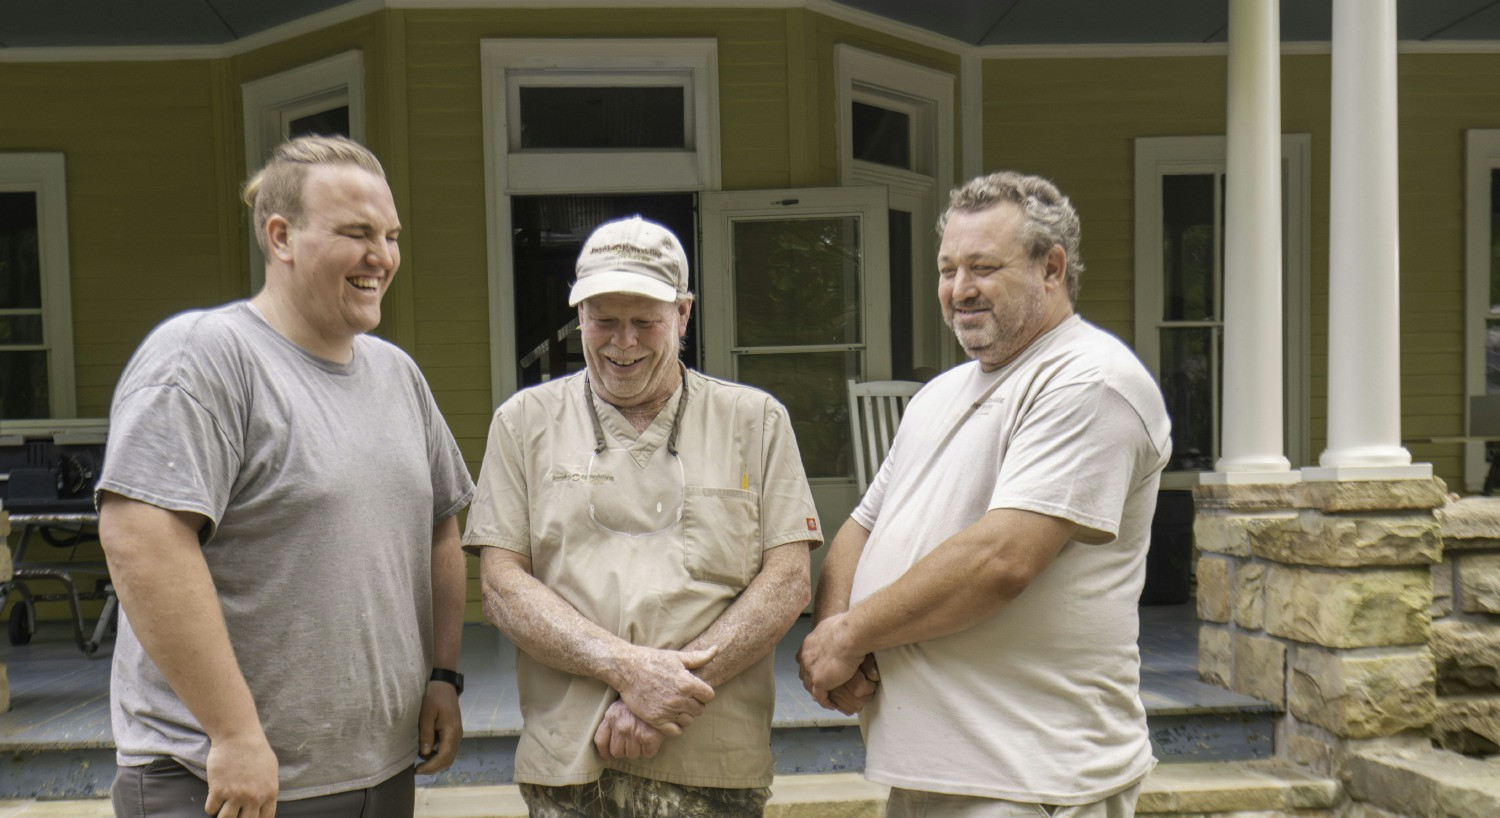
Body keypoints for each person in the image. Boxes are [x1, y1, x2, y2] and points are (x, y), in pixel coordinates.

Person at [97, 135, 474, 818]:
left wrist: (442, 674)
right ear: (281, 237)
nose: (382, 257)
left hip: (377, 774)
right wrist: (234, 733)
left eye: (390, 235)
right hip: (223, 781)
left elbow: (440, 528)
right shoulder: (206, 358)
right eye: (357, 233)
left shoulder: (397, 375)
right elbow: (140, 542)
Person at [798, 171, 1171, 818]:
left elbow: (1004, 559)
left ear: (1051, 268)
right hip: (931, 772)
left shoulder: (1090, 380)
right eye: (947, 269)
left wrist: (851, 635)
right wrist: (834, 629)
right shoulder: (940, 395)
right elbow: (862, 527)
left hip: (1033, 778)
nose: (958, 289)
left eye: (982, 267)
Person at [464, 215, 821, 816]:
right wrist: (628, 670)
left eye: (644, 322)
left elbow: (787, 582)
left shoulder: (754, 421)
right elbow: (501, 587)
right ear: (579, 316)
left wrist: (664, 696)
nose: (622, 343)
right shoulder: (523, 423)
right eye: (604, 320)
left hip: (713, 758)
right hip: (571, 760)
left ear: (682, 316)